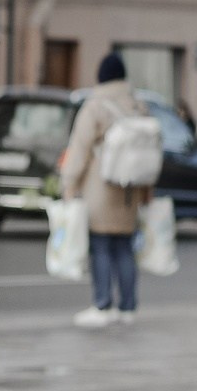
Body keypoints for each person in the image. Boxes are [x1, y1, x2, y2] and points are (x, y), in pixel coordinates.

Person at [58, 52, 155, 327]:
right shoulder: (138, 105)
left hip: (100, 188)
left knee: (100, 246)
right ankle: (128, 307)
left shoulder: (96, 106)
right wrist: (148, 190)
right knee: (124, 248)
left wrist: (69, 183)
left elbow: (79, 149)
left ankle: (102, 305)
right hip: (131, 189)